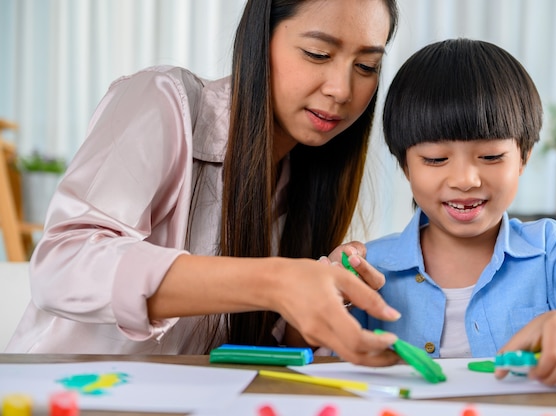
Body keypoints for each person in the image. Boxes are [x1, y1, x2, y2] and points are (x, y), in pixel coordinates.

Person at [6, 0, 403, 366]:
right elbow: (62, 265)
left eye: (366, 66)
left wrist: (311, 306)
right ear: (259, 41)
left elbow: (251, 349)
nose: (342, 89)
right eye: (317, 54)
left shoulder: (304, 180)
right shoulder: (164, 101)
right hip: (61, 394)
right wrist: (275, 281)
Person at [352, 38, 556, 387]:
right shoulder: (370, 267)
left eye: (492, 156)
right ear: (405, 166)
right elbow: (313, 356)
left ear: (524, 157)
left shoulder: (553, 251)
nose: (465, 180)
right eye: (436, 158)